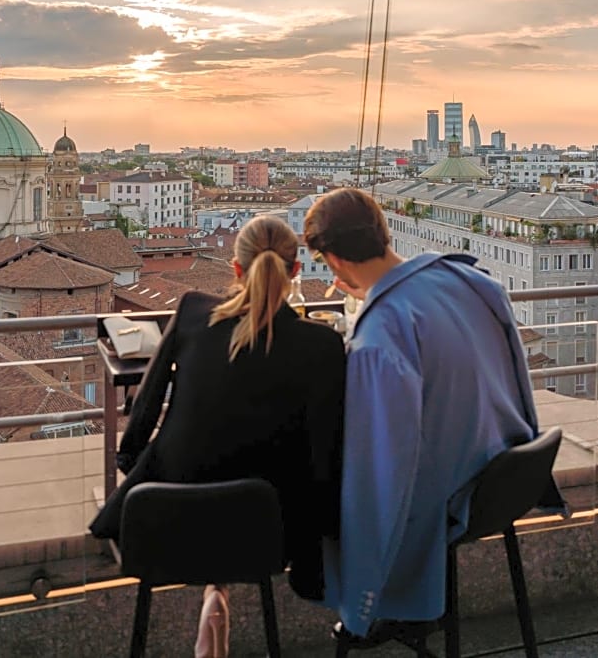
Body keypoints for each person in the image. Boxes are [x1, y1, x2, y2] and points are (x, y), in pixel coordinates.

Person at [303, 187, 561, 643]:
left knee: (325, 499)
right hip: (510, 475)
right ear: (384, 232)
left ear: (333, 262)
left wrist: (363, 596)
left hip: (454, 502)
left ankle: (383, 608)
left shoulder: (382, 333)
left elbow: (384, 470)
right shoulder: (475, 282)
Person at [90, 215, 345, 658]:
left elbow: (145, 409)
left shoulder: (191, 311)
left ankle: (215, 593)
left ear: (236, 270)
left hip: (163, 522)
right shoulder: (321, 346)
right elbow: (324, 458)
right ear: (296, 272)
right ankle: (218, 591)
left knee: (206, 472)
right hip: (265, 533)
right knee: (242, 484)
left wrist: (132, 467)